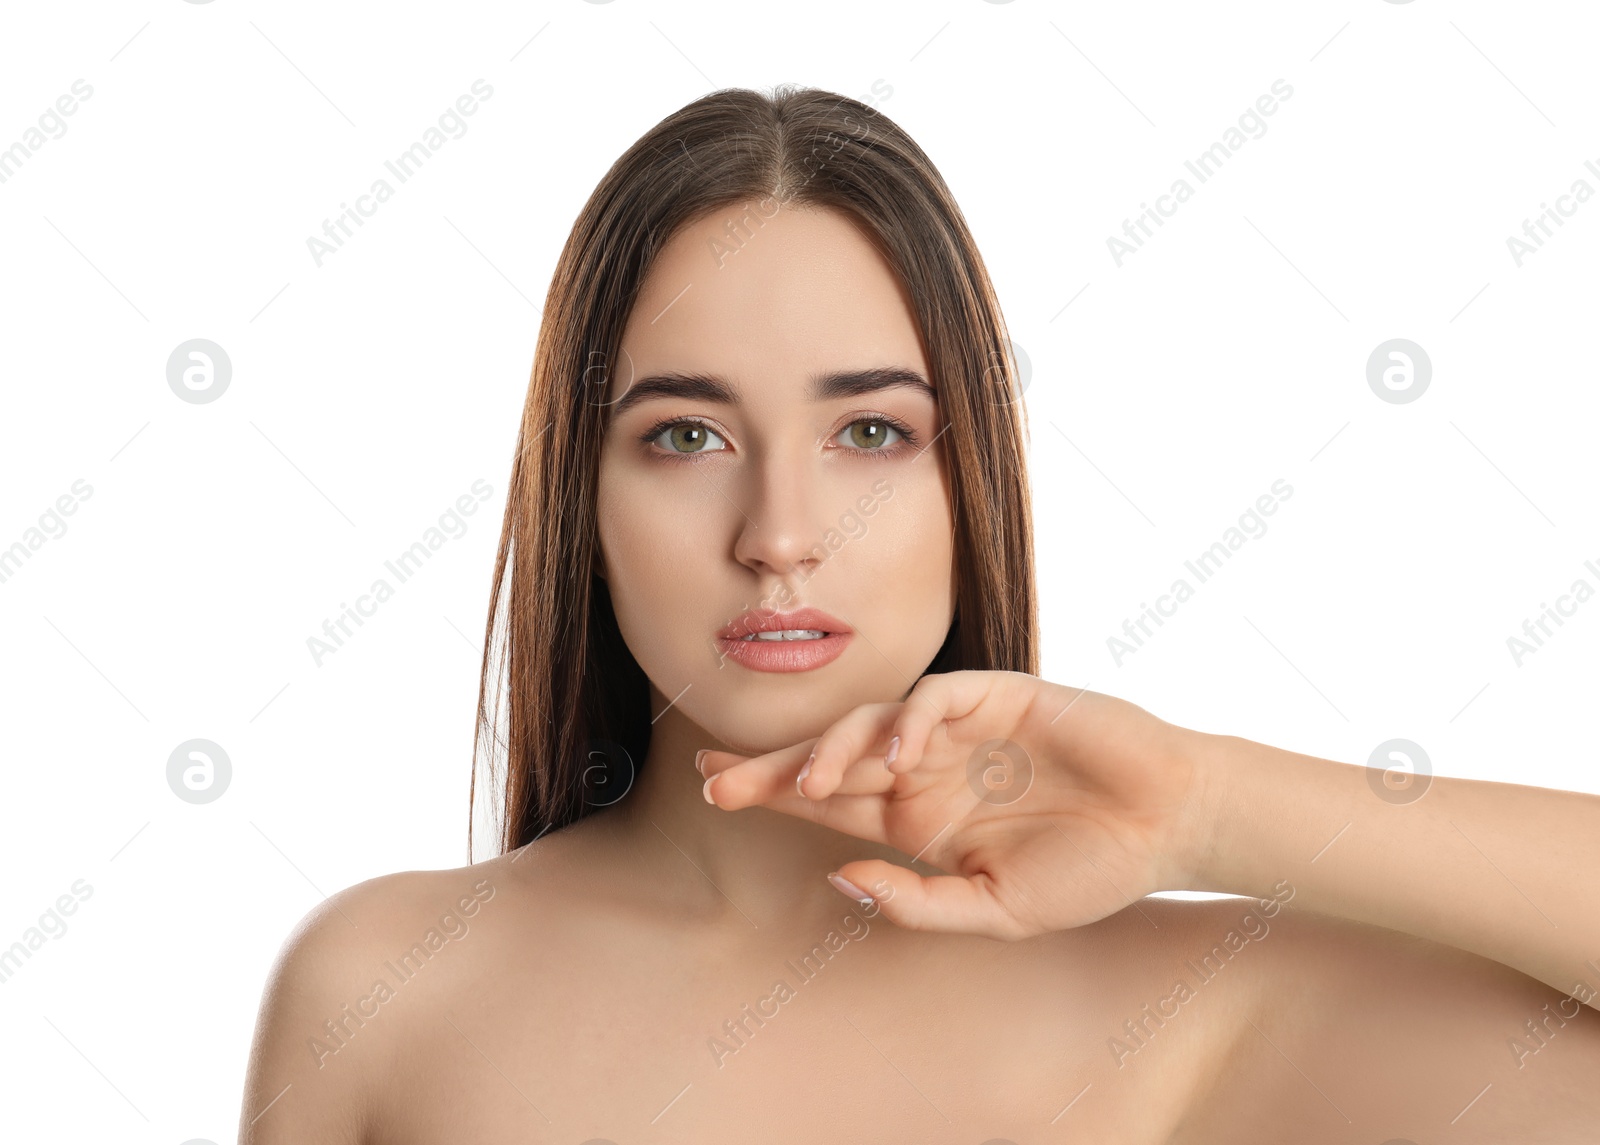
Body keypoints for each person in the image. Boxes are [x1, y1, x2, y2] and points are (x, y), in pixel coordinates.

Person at [238, 85, 1600, 1143]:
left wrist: (1202, 801)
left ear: (973, 490)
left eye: (873, 430)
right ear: (578, 500)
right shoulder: (382, 990)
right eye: (686, 436)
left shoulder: (1191, 1005)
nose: (780, 535)